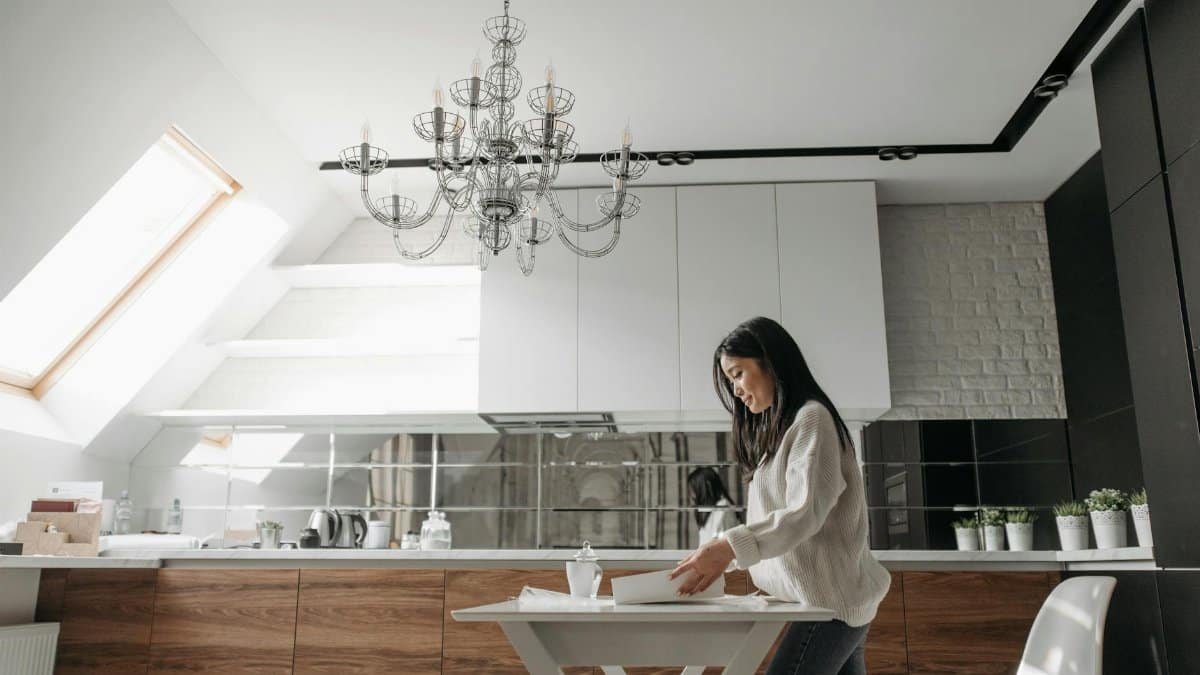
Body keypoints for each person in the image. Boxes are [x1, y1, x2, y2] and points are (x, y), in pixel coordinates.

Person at [669, 316, 890, 675]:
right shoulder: (782, 433)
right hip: (828, 603)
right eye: (730, 381)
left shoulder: (811, 419)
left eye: (738, 373)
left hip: (827, 607)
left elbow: (802, 514)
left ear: (770, 361)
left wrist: (727, 548)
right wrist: (726, 555)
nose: (736, 390)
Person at [687, 467, 738, 544]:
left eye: (694, 490)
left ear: (706, 486)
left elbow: (722, 546)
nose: (692, 496)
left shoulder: (723, 508)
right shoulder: (712, 511)